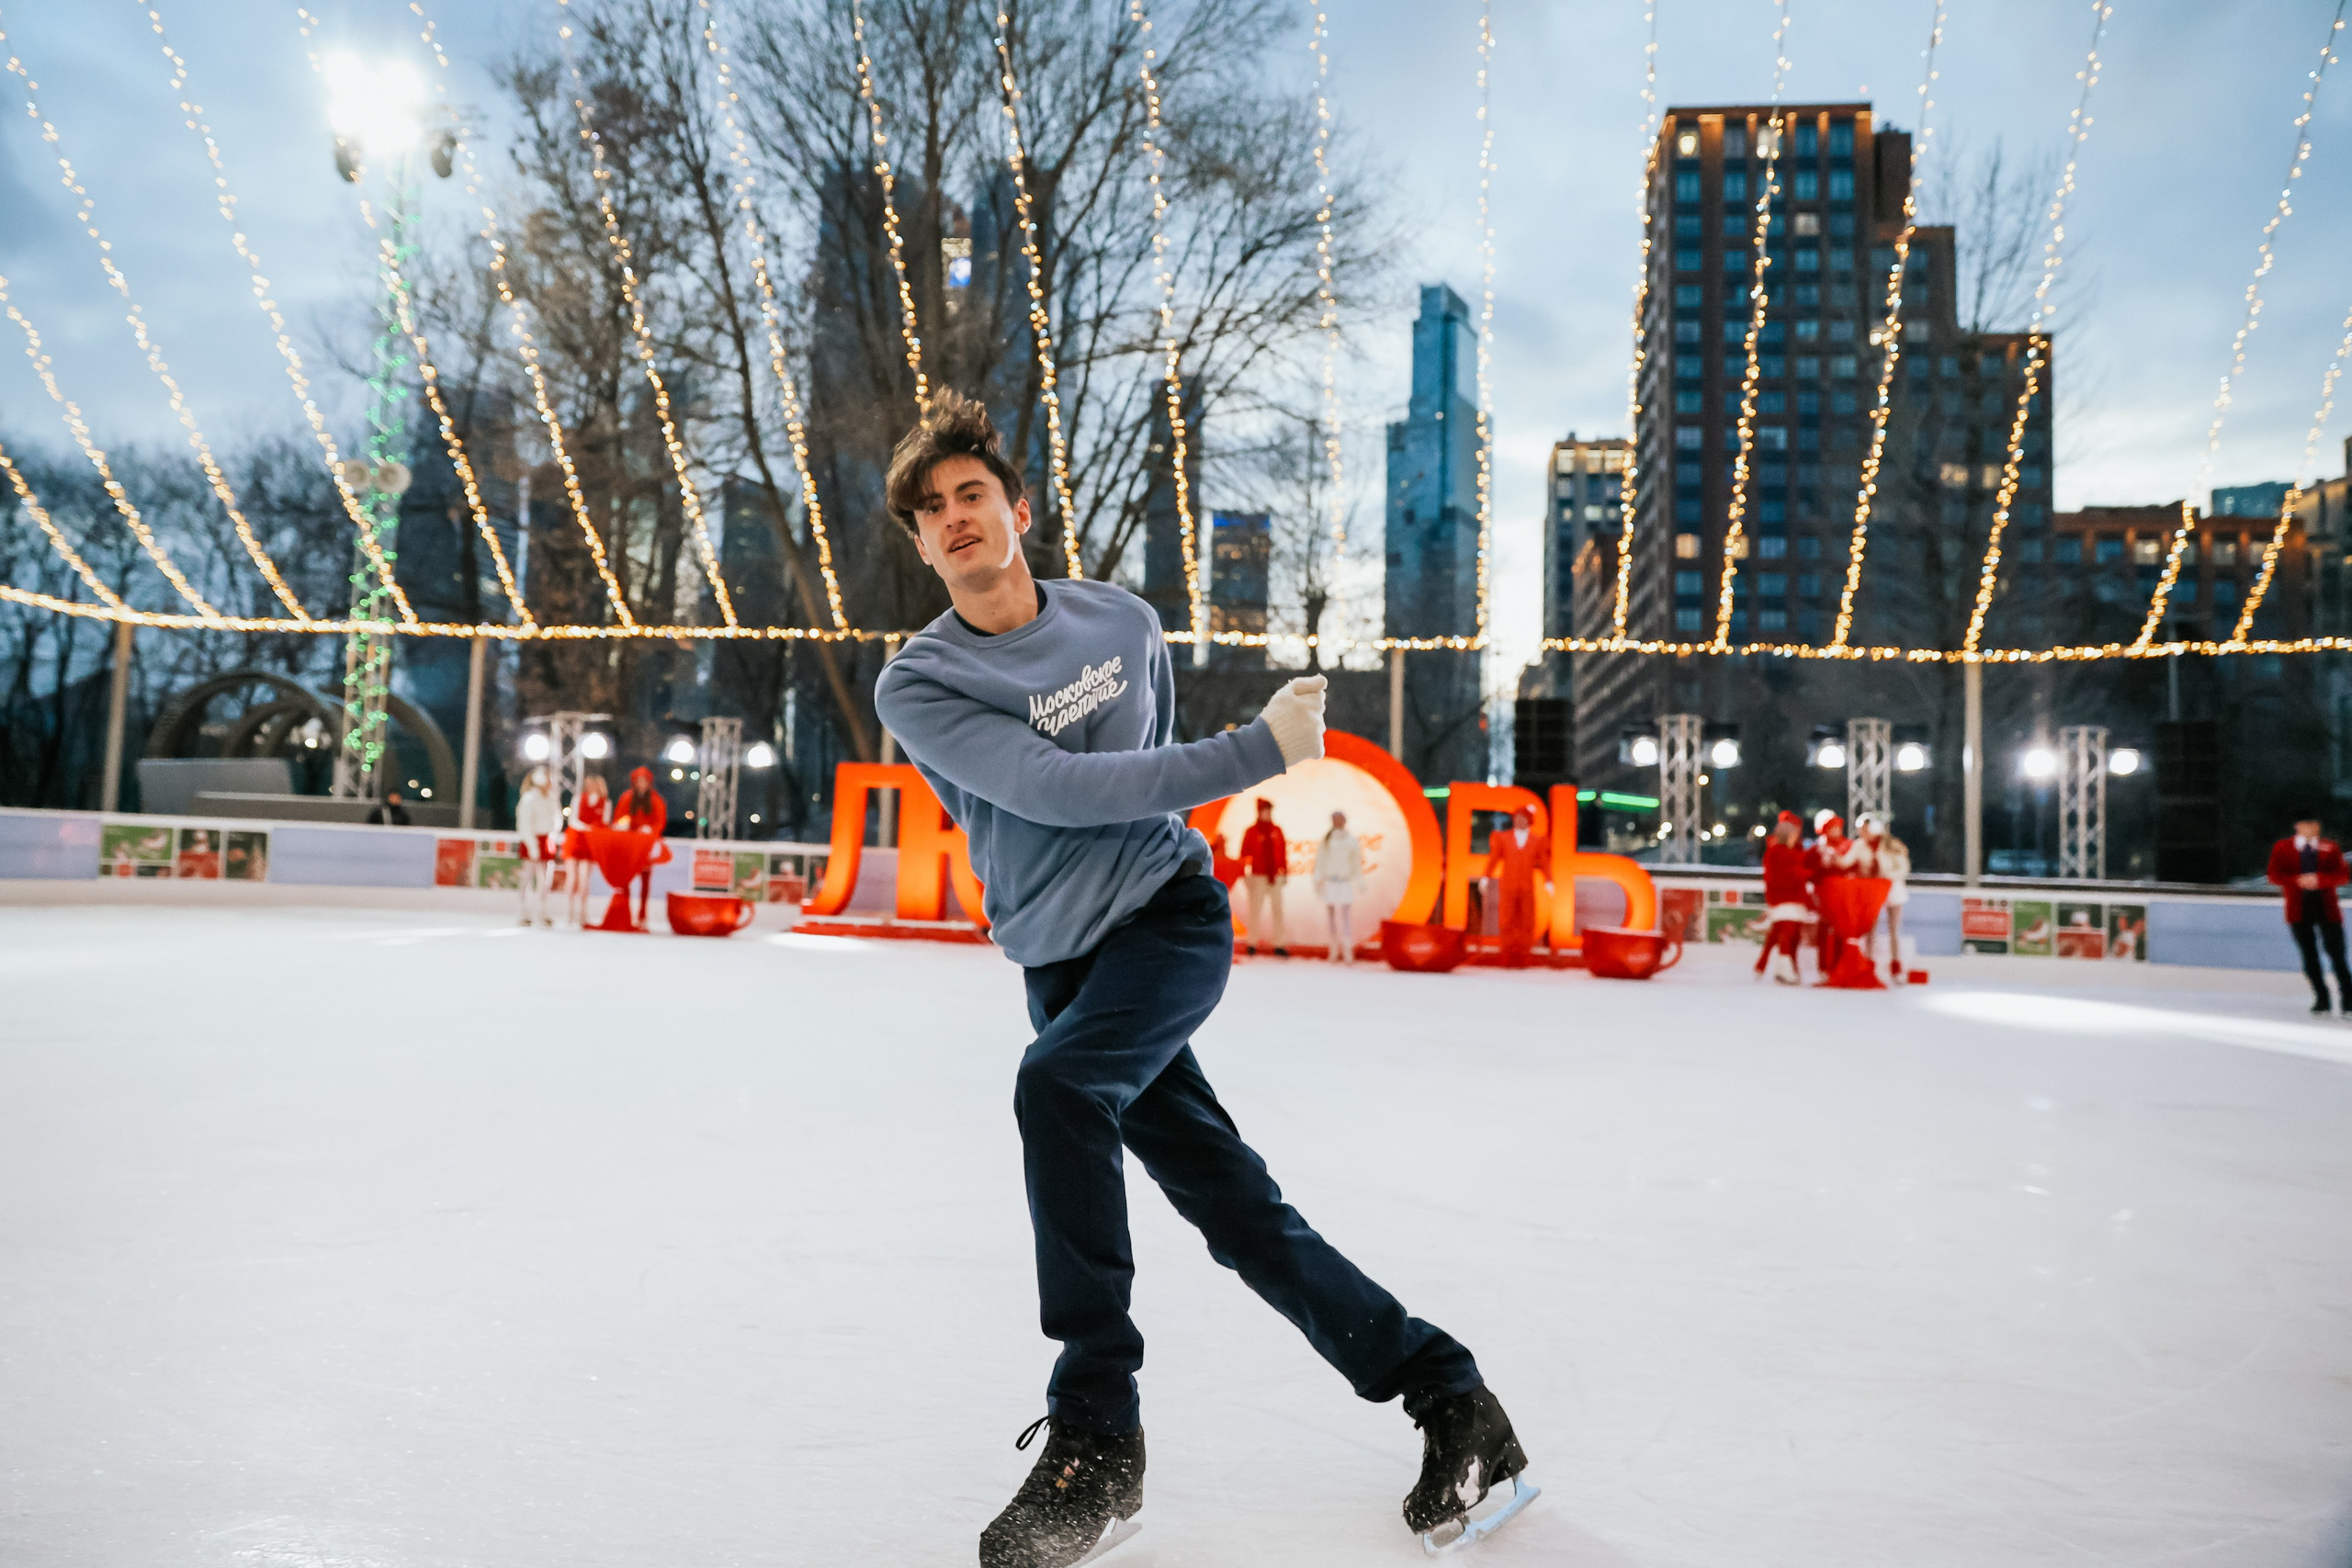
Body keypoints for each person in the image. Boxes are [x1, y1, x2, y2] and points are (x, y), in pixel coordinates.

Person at [870, 393, 1527, 1567]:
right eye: (930, 511)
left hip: (1167, 924)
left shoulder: (1121, 622)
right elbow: (1057, 790)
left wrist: (1212, 776)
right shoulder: (919, 684)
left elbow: (1145, 791)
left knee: (1057, 1093)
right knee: (1234, 1209)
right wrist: (1256, 754)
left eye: (971, 494)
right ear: (919, 546)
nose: (955, 518)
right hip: (1062, 963)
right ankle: (1451, 1396)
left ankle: (1096, 1441)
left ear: (1017, 509)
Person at [2267, 816, 2350, 1015]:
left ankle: (2348, 999)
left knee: (2337, 954)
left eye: (2315, 824)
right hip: (2299, 908)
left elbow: (2342, 875)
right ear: (2298, 826)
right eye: (2307, 824)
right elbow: (2274, 875)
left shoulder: (2329, 847)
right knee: (2309, 956)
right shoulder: (2283, 848)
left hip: (2326, 908)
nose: (2312, 828)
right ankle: (2322, 998)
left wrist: (2319, 880)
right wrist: (2297, 880)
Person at [1489, 804, 1550, 968]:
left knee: (1526, 921)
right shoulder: (1504, 838)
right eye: (1517, 818)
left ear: (1529, 821)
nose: (1519, 821)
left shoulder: (1537, 840)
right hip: (1508, 886)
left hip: (1526, 887)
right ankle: (1507, 954)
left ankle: (1524, 955)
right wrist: (1486, 876)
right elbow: (1494, 858)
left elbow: (1544, 862)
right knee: (1507, 921)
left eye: (1523, 819)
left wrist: (1549, 880)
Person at [1754, 812, 1811, 986]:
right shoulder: (1777, 853)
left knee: (1788, 934)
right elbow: (1785, 875)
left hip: (1791, 900)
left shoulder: (1788, 852)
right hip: (1784, 900)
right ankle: (1784, 969)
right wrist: (1804, 873)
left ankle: (1780, 967)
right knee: (1786, 934)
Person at [1854, 813, 1911, 983]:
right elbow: (1849, 862)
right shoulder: (1860, 846)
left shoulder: (1892, 845)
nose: (1863, 833)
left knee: (1894, 931)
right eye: (1861, 830)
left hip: (1892, 891)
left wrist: (1887, 877)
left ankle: (1896, 968)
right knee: (1871, 930)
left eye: (1866, 829)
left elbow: (1903, 868)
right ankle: (1868, 966)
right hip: (1873, 892)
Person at [611, 765, 668, 930]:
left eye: (644, 781)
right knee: (625, 880)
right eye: (639, 781)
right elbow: (620, 817)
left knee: (645, 881)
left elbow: (660, 821)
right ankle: (625, 914)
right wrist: (624, 825)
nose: (641, 784)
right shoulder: (627, 797)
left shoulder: (655, 800)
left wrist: (650, 830)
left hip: (646, 845)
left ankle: (642, 915)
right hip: (629, 843)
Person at [1238, 797, 1291, 957]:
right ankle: (1252, 942)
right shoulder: (1252, 832)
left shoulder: (1277, 830)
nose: (1266, 814)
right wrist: (1244, 875)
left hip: (1275, 876)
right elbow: (1244, 855)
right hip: (1258, 876)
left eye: (1268, 811)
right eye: (1264, 811)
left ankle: (1279, 943)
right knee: (1255, 910)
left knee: (1277, 910)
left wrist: (1284, 872)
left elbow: (1282, 852)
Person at [1312, 809, 1365, 964]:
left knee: (1346, 916)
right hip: (1330, 882)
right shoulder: (1327, 840)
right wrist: (1318, 879)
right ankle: (1334, 948)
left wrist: (1360, 881)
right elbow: (1320, 861)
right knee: (1331, 917)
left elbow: (1356, 863)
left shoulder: (1350, 841)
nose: (1337, 822)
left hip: (1344, 882)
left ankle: (1347, 949)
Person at [514, 765, 560, 928]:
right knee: (527, 877)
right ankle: (522, 911)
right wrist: (532, 845)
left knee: (545, 880)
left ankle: (542, 911)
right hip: (532, 840)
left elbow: (556, 819)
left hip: (546, 840)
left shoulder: (550, 798)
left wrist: (552, 836)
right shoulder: (529, 799)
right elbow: (524, 824)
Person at [565, 773, 609, 928]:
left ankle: (582, 912)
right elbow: (573, 820)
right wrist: (587, 827)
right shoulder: (579, 799)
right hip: (576, 839)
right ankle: (569, 911)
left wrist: (594, 830)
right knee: (572, 877)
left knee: (584, 879)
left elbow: (604, 822)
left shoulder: (605, 803)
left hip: (590, 843)